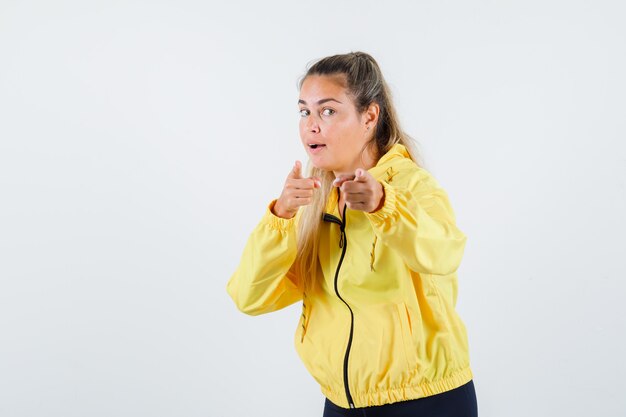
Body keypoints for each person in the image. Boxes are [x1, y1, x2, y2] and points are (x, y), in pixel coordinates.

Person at [226, 51, 478, 417]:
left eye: (328, 111)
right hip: (343, 404)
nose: (311, 125)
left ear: (369, 117)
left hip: (426, 400)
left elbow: (444, 253)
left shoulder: (411, 185)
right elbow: (250, 297)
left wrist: (384, 207)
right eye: (304, 111)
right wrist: (280, 217)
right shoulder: (311, 202)